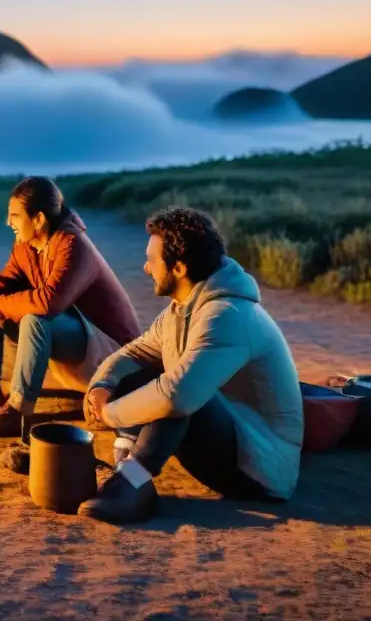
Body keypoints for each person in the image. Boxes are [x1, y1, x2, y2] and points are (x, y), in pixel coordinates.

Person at [80, 206, 304, 524]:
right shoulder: (182, 308)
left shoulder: (226, 316)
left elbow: (178, 397)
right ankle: (128, 472)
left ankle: (131, 481)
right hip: (231, 439)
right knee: (133, 377)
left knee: (179, 396)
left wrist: (109, 414)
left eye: (152, 260)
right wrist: (101, 386)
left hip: (260, 470)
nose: (146, 268)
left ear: (180, 268)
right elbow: (133, 353)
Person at [0, 176, 141, 437]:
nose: (7, 222)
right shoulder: (28, 243)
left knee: (33, 317)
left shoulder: (73, 246)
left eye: (14, 215)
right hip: (73, 339)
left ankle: (19, 409)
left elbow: (48, 303)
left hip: (109, 352)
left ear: (39, 219)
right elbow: (8, 278)